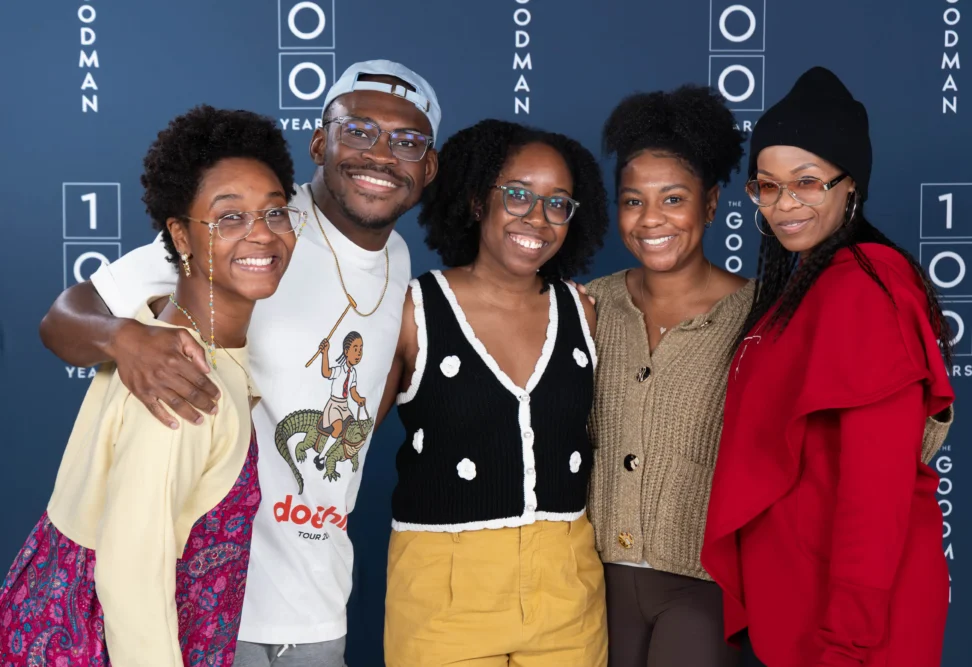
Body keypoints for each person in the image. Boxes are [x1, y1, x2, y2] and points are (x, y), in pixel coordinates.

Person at [37, 60, 440, 667]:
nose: (380, 155)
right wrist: (124, 338)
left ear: (427, 167)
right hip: (210, 604)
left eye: (406, 141)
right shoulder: (252, 225)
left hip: (317, 602)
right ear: (319, 141)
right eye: (357, 131)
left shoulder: (400, 259)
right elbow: (63, 321)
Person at [0, 106, 298, 666]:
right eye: (229, 217)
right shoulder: (180, 377)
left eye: (275, 211)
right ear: (181, 235)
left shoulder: (172, 333)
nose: (262, 233)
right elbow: (130, 579)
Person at [699, 66, 956, 667]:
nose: (785, 205)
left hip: (854, 627)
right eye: (767, 186)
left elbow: (877, 487)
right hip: (806, 604)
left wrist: (846, 643)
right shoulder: (810, 285)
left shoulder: (864, 289)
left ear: (851, 186)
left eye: (808, 182)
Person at [375, 119, 610, 666]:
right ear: (479, 201)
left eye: (558, 203)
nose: (538, 217)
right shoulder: (413, 311)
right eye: (519, 195)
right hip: (444, 594)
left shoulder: (585, 313)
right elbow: (343, 439)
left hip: (567, 591)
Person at [585, 85, 750, 667]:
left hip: (704, 585)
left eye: (673, 199)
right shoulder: (587, 307)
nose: (651, 219)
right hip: (588, 581)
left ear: (710, 204)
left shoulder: (760, 317)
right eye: (633, 201)